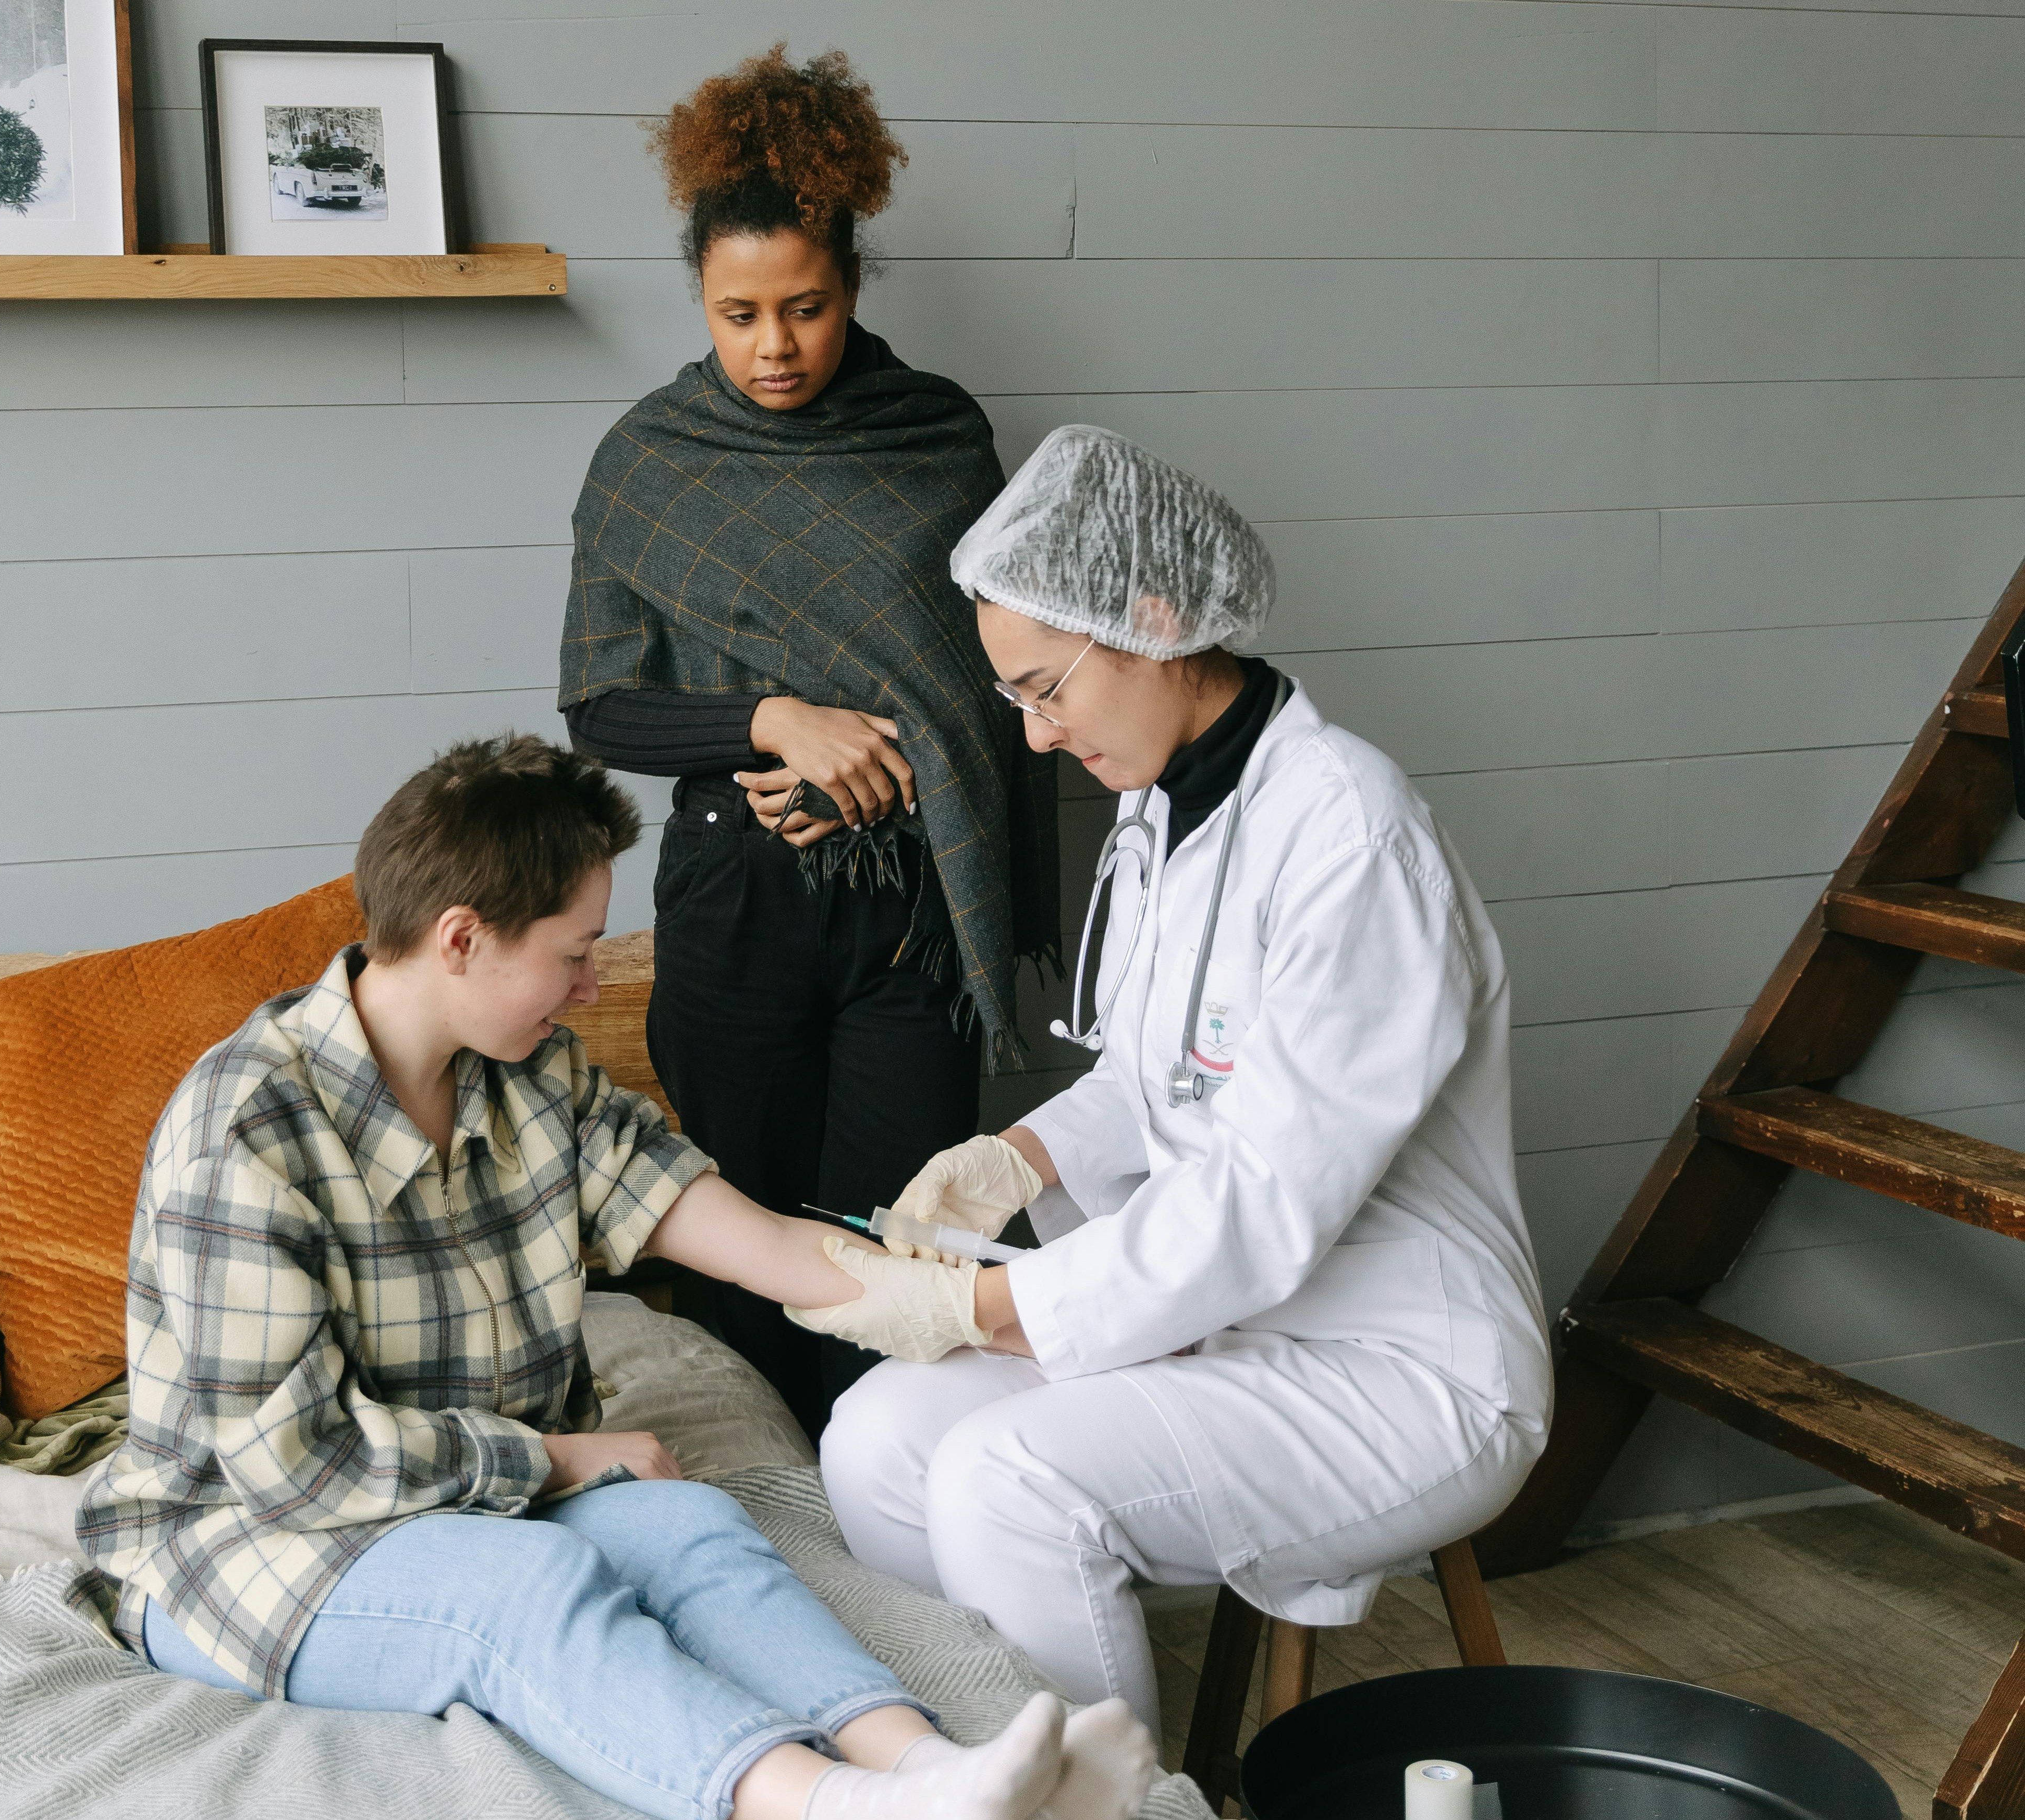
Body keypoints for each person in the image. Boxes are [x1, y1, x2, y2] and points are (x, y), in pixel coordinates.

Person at [75, 732, 1154, 1820]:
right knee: (532, 1587)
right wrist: (550, 1455)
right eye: (575, 950)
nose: (594, 984)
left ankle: (929, 1766)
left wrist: (982, 1305)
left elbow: (768, 1245)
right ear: (462, 939)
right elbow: (293, 1461)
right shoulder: (249, 1127)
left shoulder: (533, 1079)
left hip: (473, 1500)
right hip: (252, 1539)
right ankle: (834, 1805)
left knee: (692, 1525)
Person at [787, 428, 1555, 1740]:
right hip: (1234, 1323)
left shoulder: (1347, 833)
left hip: (1401, 1364)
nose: (1032, 738)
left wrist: (988, 1302)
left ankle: (1108, 1799)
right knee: (872, 1437)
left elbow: (1264, 1193)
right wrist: (1015, 1156)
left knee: (1005, 1479)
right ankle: (989, 1773)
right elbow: (1167, 1080)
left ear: (1149, 618)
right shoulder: (1164, 811)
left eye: (1045, 689)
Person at [558, 46, 1056, 1442]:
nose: (773, 344)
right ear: (700, 304)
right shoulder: (649, 461)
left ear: (850, 286)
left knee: (902, 1249)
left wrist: (887, 765)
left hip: (912, 911)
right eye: (738, 313)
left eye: (805, 308)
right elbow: (598, 704)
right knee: (737, 1241)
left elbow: (998, 682)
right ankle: (770, 1522)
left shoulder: (940, 436)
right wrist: (773, 722)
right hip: (736, 900)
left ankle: (887, 1527)